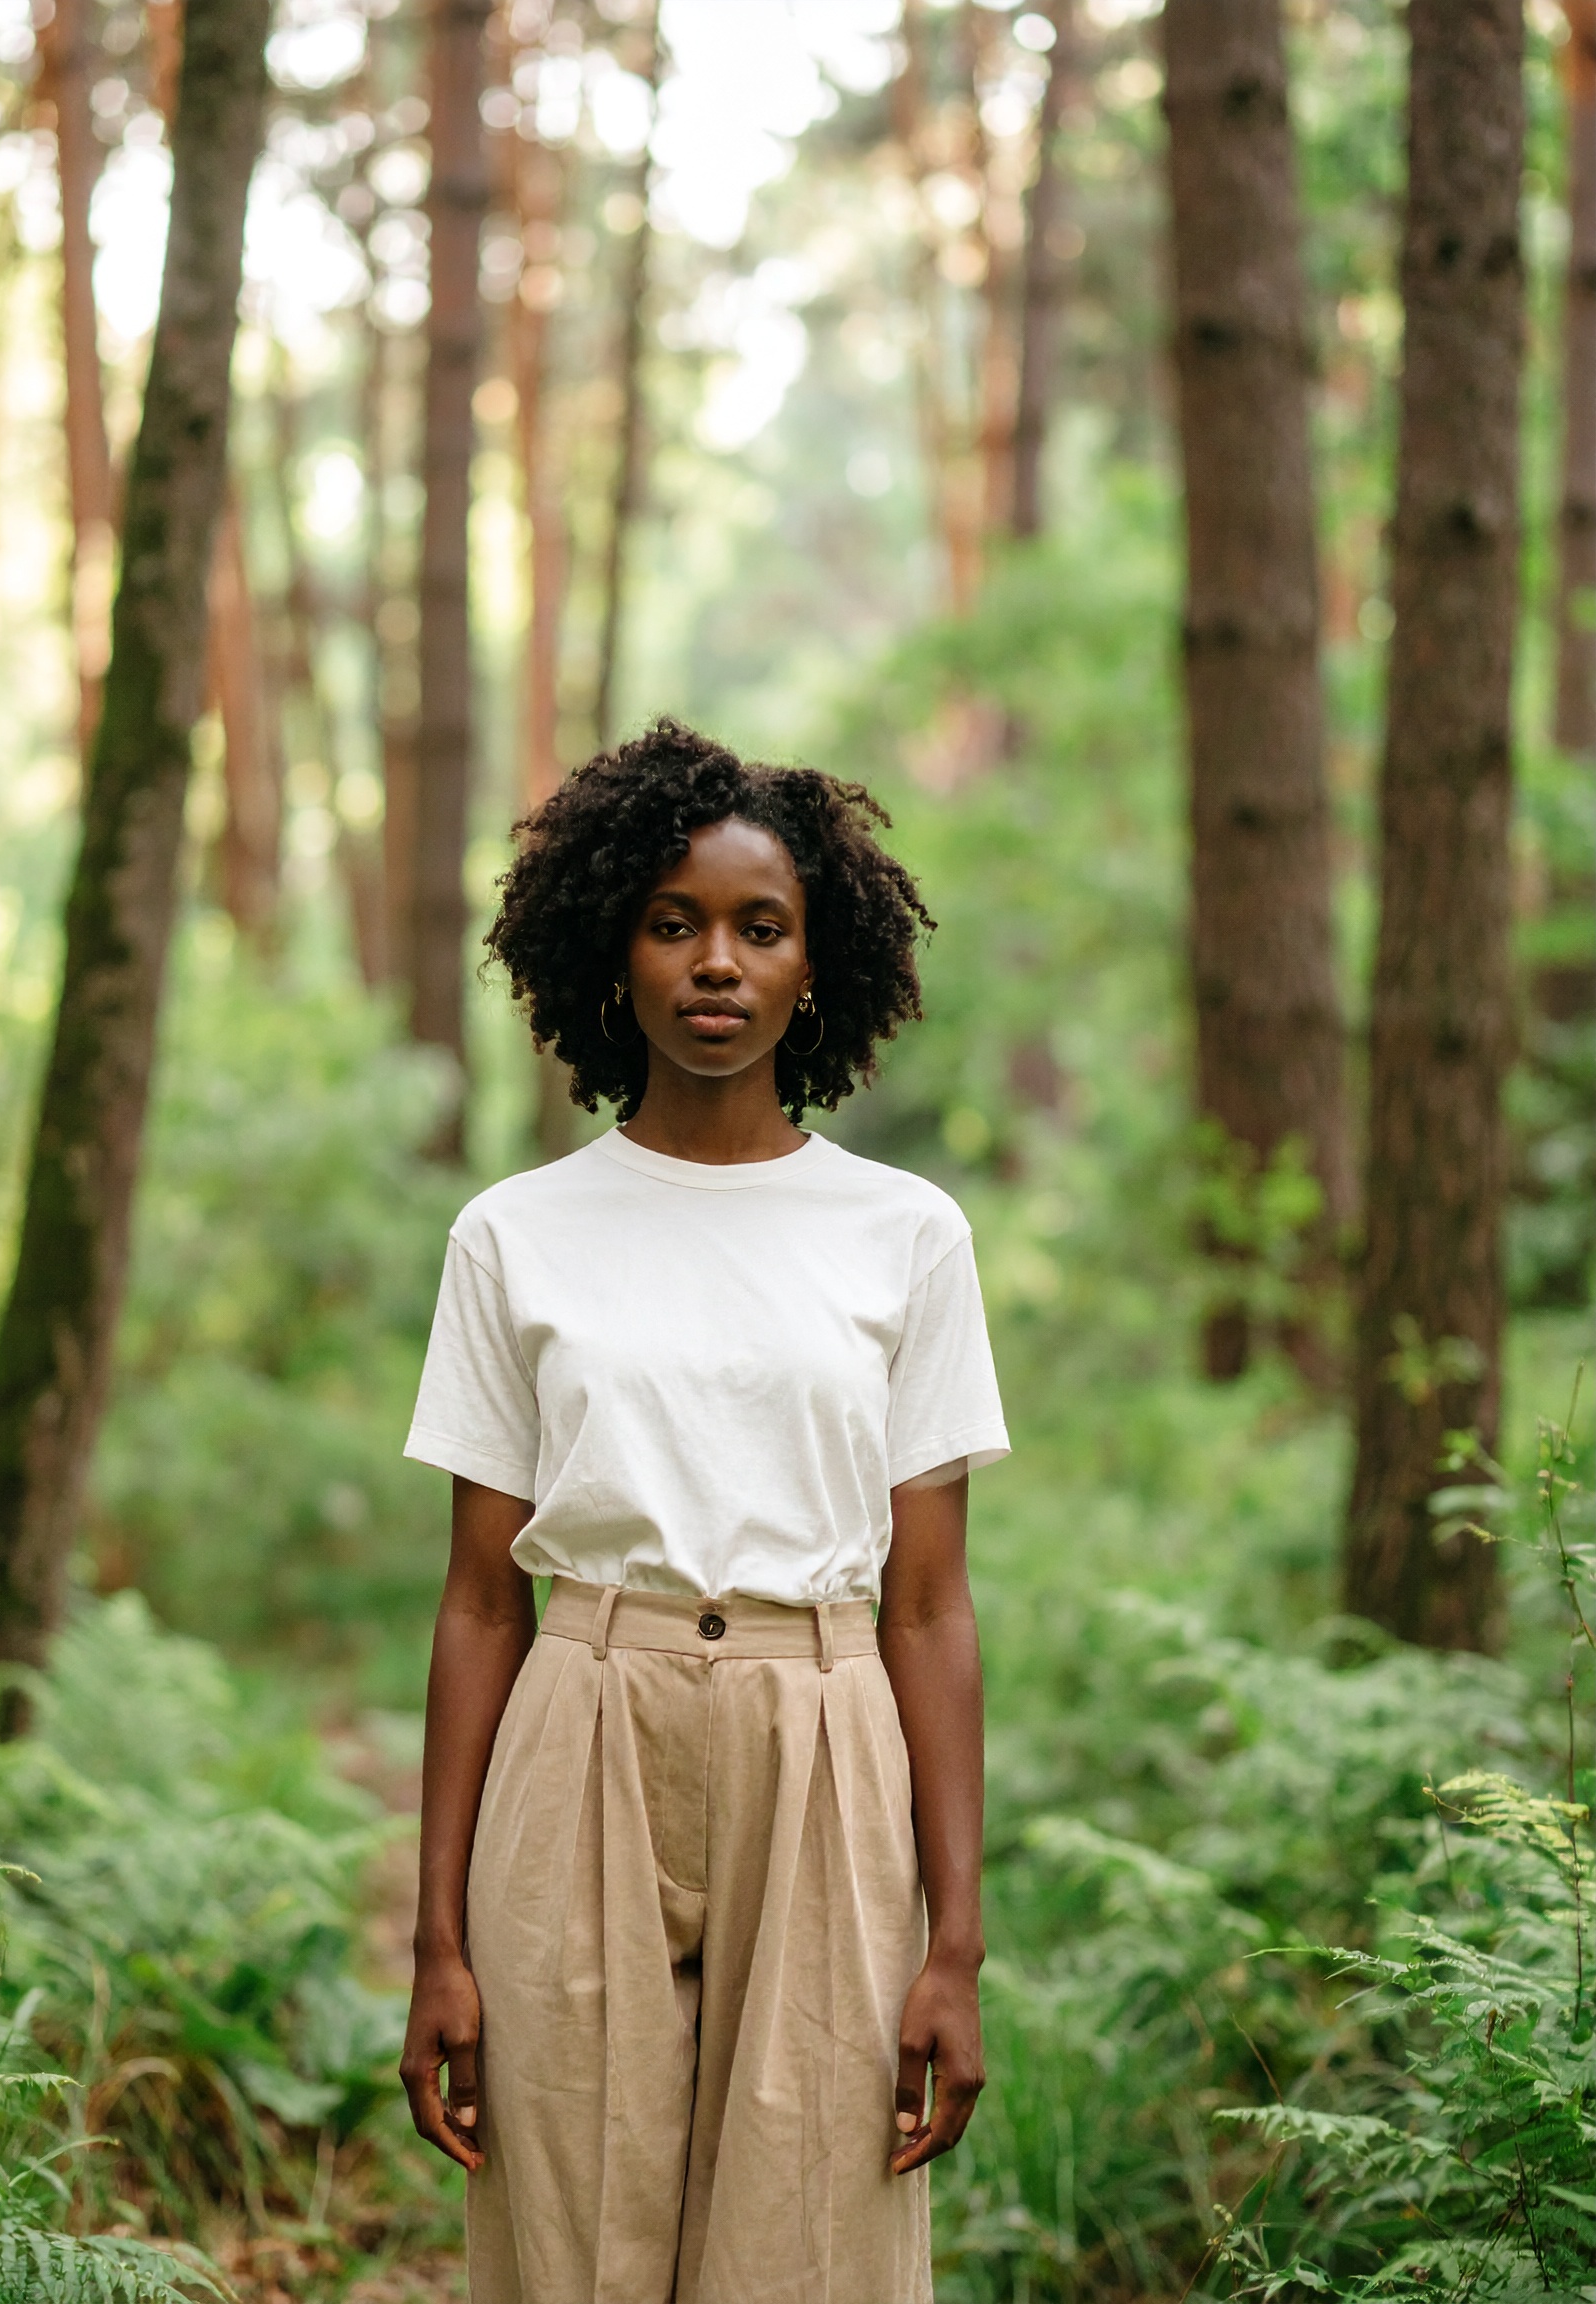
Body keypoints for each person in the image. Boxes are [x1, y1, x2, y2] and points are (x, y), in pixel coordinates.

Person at [398, 720, 1009, 2304]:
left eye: (760, 926)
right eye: (674, 923)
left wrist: (956, 1946)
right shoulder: (514, 1235)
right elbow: (479, 1600)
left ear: (821, 963)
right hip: (582, 1710)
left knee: (808, 2240)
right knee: (568, 2229)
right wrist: (438, 1938)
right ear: (611, 950)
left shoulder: (906, 1237)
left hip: (823, 1722)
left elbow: (931, 1608)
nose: (716, 963)